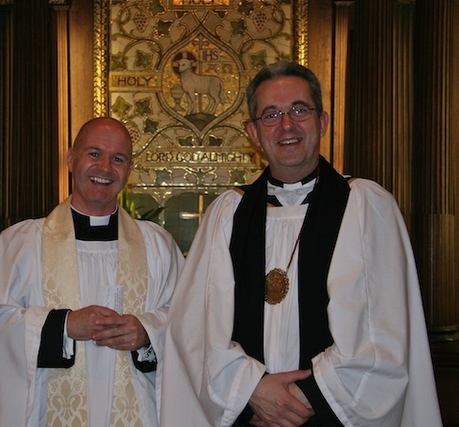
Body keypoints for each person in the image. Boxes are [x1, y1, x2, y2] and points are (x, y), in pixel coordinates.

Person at [158, 62, 443, 426]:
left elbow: (383, 333)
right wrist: (252, 391)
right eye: (271, 115)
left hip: (331, 415)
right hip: (251, 414)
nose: (287, 125)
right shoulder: (227, 215)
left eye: (299, 110)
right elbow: (194, 329)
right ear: (254, 133)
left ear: (322, 122)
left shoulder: (365, 206)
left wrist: (298, 399)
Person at [0, 117, 184, 426]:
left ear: (129, 170)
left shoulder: (158, 246)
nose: (105, 167)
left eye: (117, 159)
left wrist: (148, 331)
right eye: (94, 153)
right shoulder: (22, 243)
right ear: (70, 159)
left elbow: (190, 323)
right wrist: (62, 325)